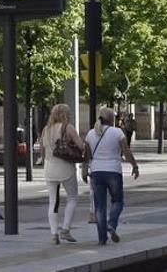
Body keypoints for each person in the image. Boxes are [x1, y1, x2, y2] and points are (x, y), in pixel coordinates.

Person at [83, 107, 139, 246]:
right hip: (113, 171)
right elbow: (126, 151)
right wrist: (135, 166)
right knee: (118, 201)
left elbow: (87, 156)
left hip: (96, 172)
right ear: (111, 118)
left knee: (99, 207)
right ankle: (111, 224)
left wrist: (84, 171)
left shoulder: (90, 133)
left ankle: (102, 239)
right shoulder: (117, 132)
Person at [40, 104, 85, 245]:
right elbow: (81, 146)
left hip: (49, 168)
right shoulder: (68, 128)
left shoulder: (45, 130)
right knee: (72, 197)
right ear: (65, 114)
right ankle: (65, 229)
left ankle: (54, 234)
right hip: (65, 167)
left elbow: (42, 151)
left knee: (53, 201)